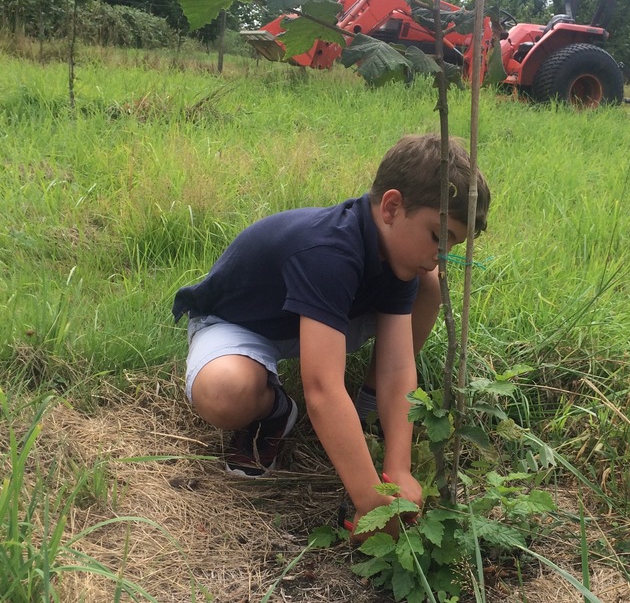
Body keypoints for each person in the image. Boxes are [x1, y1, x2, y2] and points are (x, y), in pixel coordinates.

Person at [172, 133, 490, 537]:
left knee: (428, 284)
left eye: (452, 245)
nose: (440, 255)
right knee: (225, 393)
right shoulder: (328, 252)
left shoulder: (399, 253)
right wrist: (371, 501)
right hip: (243, 325)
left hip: (326, 321)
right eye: (436, 238)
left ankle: (365, 407)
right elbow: (322, 389)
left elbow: (398, 369)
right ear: (392, 207)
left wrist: (398, 470)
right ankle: (275, 410)